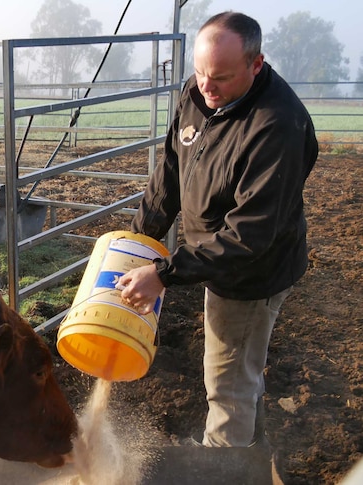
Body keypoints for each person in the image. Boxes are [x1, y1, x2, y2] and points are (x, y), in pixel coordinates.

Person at [117, 11, 318, 447]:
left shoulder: (277, 126)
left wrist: (166, 273)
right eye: (200, 72)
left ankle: (221, 468)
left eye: (222, 78)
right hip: (216, 255)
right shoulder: (199, 92)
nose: (207, 87)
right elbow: (171, 172)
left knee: (228, 385)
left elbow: (250, 235)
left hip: (250, 274)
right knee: (240, 371)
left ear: (256, 64)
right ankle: (251, 456)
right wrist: (136, 244)